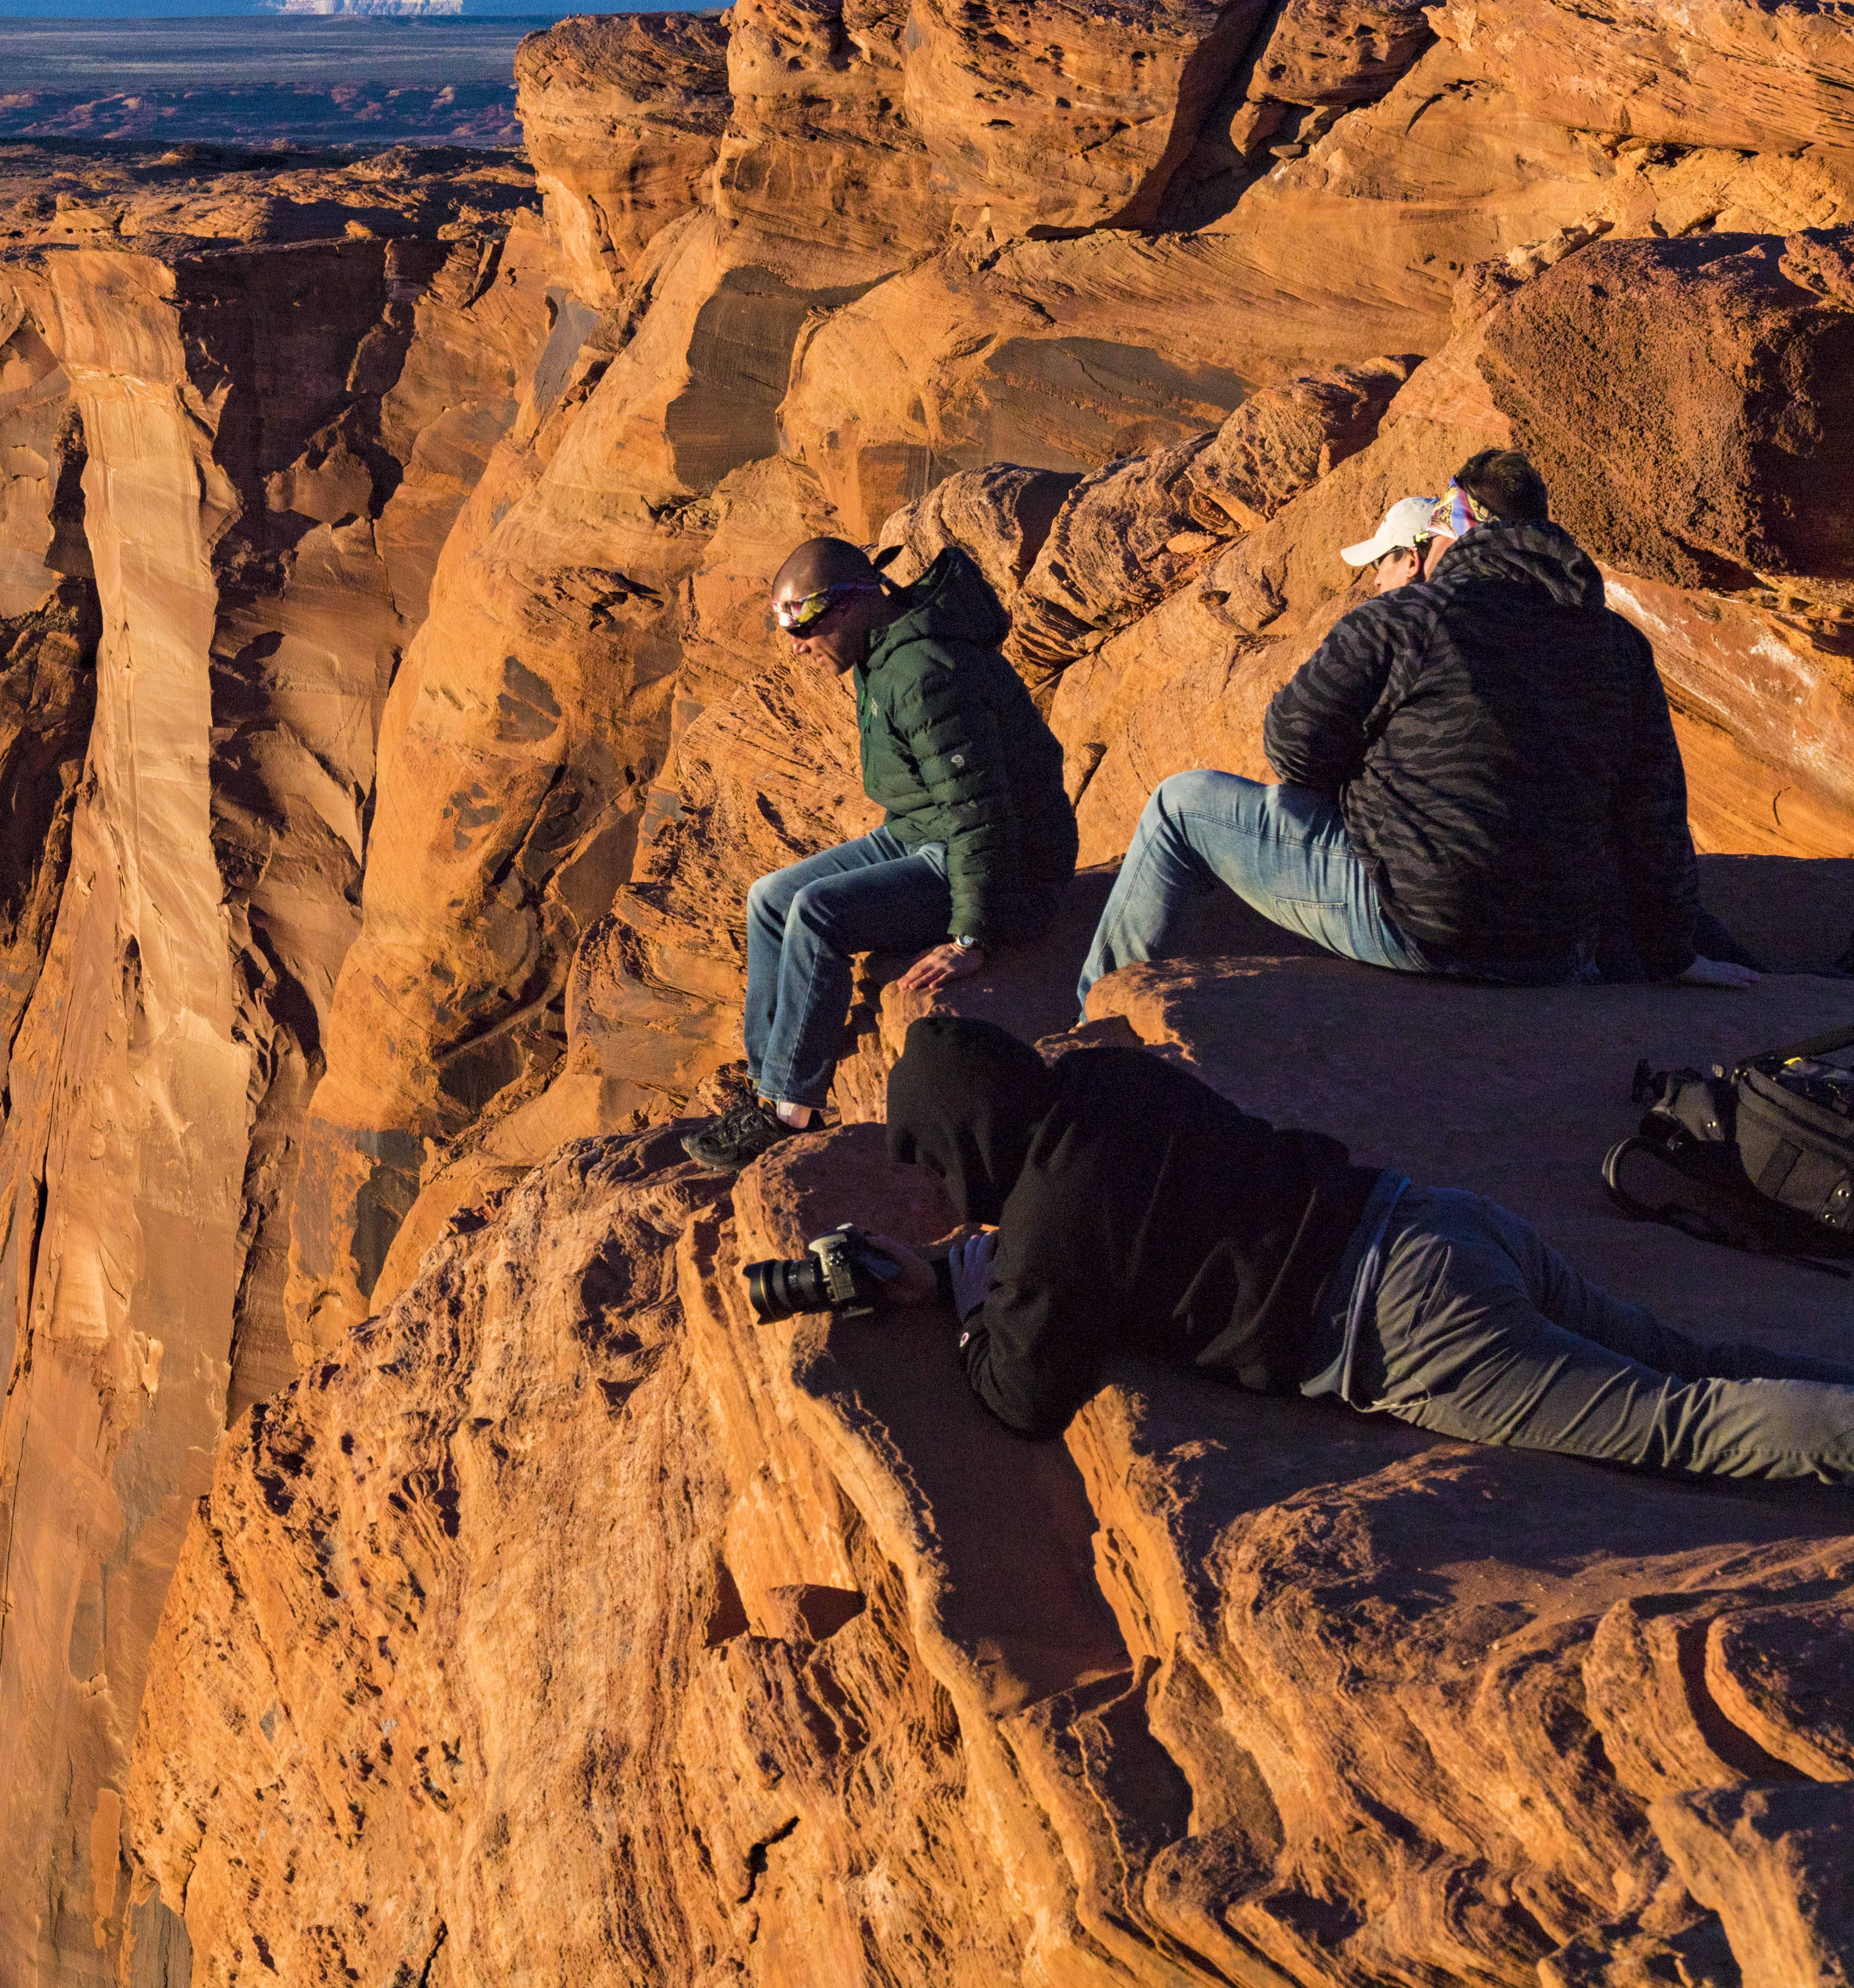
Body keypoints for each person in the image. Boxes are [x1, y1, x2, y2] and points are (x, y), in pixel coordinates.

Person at [869, 1015, 1854, 1481]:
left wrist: (963, 1311)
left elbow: (1023, 1393)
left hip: (1411, 1328)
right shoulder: (1106, 1079)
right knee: (1687, 1359)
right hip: (1440, 1220)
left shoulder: (1049, 1223)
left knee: (1676, 1421)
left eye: (939, 1163)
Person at [1071, 450, 1760, 1020]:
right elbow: (1654, 813)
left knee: (1179, 804)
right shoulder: (1617, 645)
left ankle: (1090, 1021)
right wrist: (1674, 954)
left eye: (1431, 535)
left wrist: (1372, 783)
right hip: (1555, 951)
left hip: (1417, 923)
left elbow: (1292, 745)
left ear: (1454, 530)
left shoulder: (1407, 619)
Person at [683, 535, 1078, 1171]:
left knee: (818, 913)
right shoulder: (880, 650)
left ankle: (790, 1111)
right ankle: (769, 1089)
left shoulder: (924, 674)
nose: (799, 646)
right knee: (770, 899)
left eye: (808, 626)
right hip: (924, 828)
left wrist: (972, 936)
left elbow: (982, 811)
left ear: (851, 606)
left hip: (1006, 860)